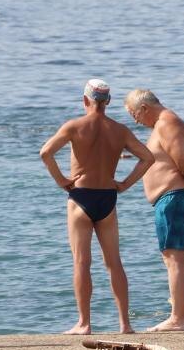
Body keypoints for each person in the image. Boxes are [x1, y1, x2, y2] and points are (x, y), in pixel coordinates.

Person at [38, 79, 155, 335]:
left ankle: (84, 323)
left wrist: (62, 181)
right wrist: (124, 185)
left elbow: (45, 153)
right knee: (114, 262)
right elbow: (148, 157)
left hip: (80, 197)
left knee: (81, 262)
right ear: (109, 102)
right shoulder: (120, 130)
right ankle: (125, 324)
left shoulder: (74, 126)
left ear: (85, 100)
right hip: (107, 199)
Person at [124, 89, 184, 333]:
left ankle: (180, 318)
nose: (134, 120)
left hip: (175, 197)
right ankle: (181, 313)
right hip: (174, 197)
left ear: (144, 108)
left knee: (176, 258)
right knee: (174, 258)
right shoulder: (167, 123)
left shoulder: (167, 123)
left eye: (134, 114)